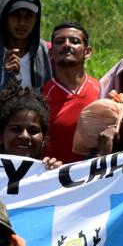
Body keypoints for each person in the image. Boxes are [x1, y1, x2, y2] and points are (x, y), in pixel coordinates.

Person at [40, 22, 99, 163]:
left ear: (88, 52)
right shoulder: (40, 97)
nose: (66, 45)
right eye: (60, 42)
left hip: (96, 181)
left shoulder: (103, 91)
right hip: (53, 179)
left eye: (74, 41)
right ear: (51, 53)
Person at [0, 83, 59, 168]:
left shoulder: (51, 174)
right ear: (0, 135)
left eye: (33, 131)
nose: (25, 136)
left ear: (44, 138)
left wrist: (57, 175)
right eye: (16, 129)